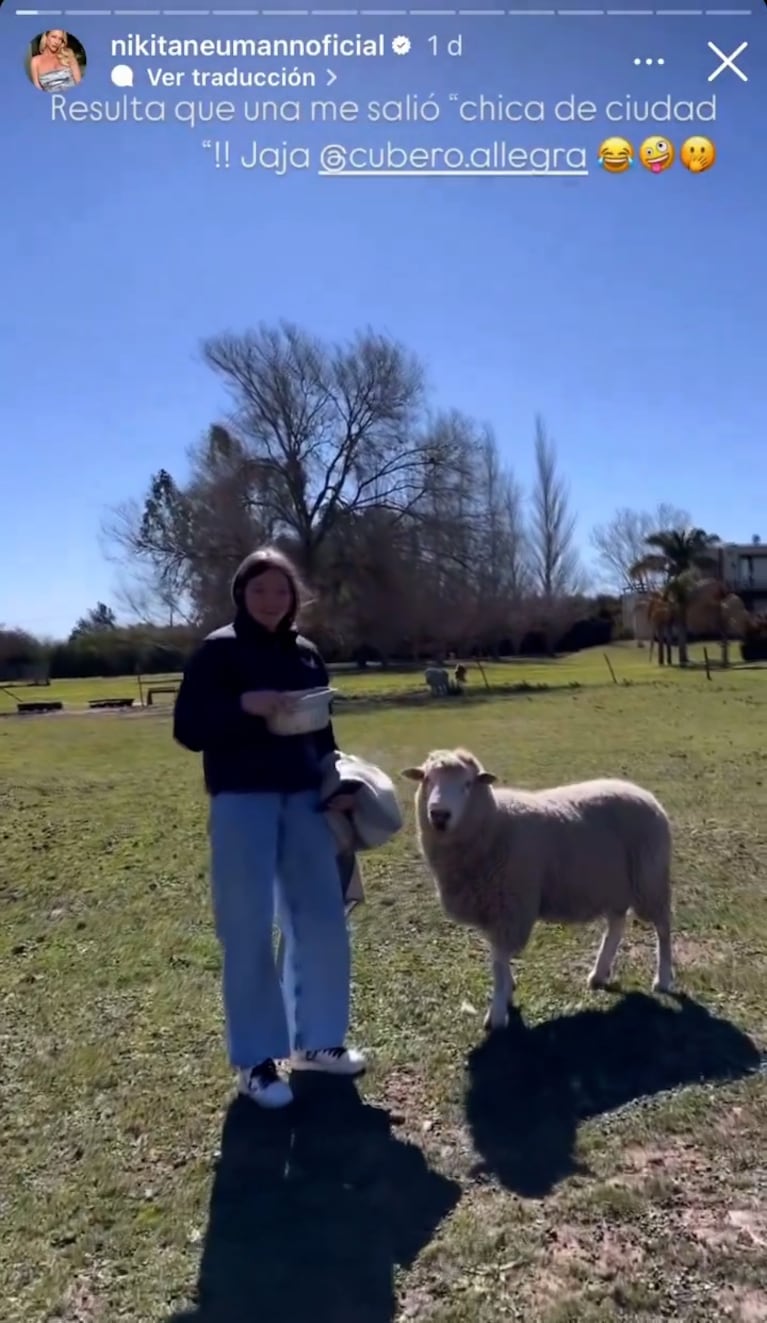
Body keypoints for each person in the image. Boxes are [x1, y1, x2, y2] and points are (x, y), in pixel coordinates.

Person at [173, 547, 365, 1109]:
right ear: (241, 594)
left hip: (306, 801)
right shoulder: (218, 652)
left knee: (323, 920)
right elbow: (188, 728)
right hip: (242, 802)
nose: (271, 601)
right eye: (259, 590)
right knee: (248, 927)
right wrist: (244, 705)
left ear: (293, 597)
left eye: (281, 591)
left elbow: (322, 735)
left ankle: (318, 1043)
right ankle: (255, 1063)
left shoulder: (306, 655)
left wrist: (339, 784)